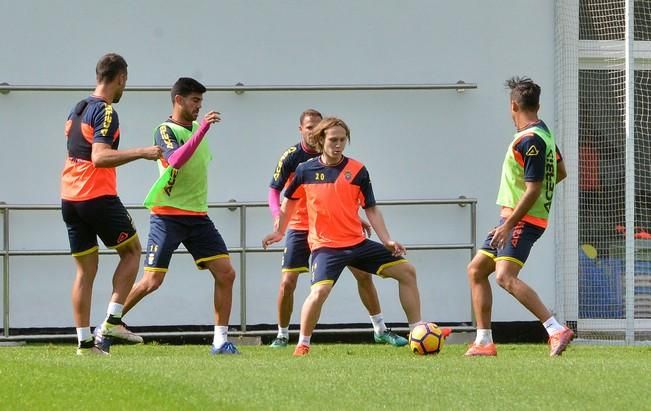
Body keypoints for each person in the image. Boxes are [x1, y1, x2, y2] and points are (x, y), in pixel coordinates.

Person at [263, 117, 436, 356]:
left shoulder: (357, 170)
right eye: (333, 140)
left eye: (343, 140)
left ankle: (417, 332)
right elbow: (289, 202)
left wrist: (386, 239)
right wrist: (279, 231)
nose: (338, 145)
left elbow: (371, 208)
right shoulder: (305, 170)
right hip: (326, 247)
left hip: (357, 243)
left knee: (407, 272)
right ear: (321, 140)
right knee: (319, 292)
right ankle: (303, 343)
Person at [106, 77, 239, 355]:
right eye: (194, 100)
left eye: (201, 101)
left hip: (198, 218)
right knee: (152, 281)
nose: (199, 107)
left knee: (226, 273)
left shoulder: (197, 130)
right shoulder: (165, 130)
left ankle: (220, 341)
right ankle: (107, 326)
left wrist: (199, 130)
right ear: (178, 100)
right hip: (167, 217)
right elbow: (176, 160)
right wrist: (202, 130)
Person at [61, 53, 162, 355]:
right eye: (125, 81)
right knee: (131, 252)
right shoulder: (105, 112)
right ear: (120, 78)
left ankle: (84, 343)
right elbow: (99, 157)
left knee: (85, 271)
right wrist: (143, 152)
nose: (124, 88)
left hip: (70, 197)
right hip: (96, 196)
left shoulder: (76, 109)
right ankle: (114, 320)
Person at [465, 76, 573, 357]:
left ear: (513, 105)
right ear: (537, 105)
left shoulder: (529, 140)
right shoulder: (544, 134)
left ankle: (555, 328)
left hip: (522, 222)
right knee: (477, 270)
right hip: (514, 219)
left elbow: (534, 188)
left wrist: (511, 223)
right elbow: (560, 173)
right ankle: (484, 342)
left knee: (504, 276)